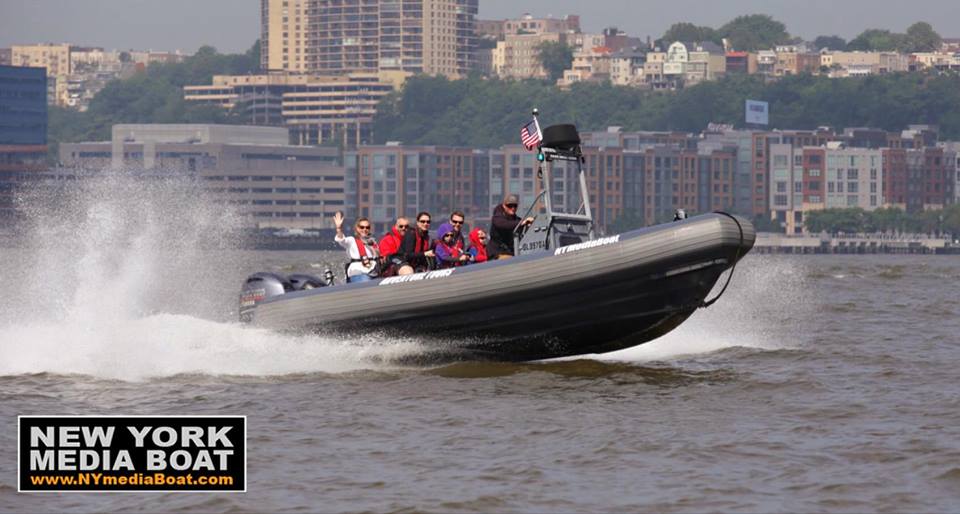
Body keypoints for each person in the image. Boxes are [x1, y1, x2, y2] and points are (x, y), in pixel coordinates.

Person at [333, 211, 379, 282]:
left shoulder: (373, 243)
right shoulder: (352, 241)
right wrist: (339, 228)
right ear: (357, 228)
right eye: (362, 227)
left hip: (374, 272)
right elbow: (342, 240)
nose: (365, 229)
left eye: (367, 227)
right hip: (359, 272)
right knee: (366, 280)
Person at [486, 194, 534, 259]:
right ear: (504, 206)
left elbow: (519, 226)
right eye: (510, 206)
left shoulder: (516, 219)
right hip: (497, 254)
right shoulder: (497, 217)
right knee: (515, 260)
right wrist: (522, 223)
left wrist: (529, 225)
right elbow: (504, 224)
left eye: (515, 206)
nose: (513, 208)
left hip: (511, 252)